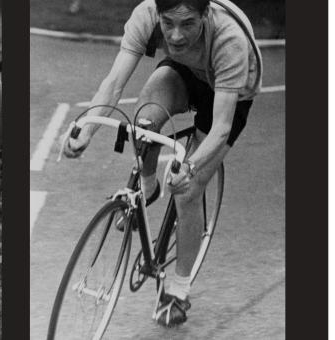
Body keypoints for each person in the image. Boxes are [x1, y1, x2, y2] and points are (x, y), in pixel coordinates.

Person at [63, 0, 261, 327]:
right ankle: (147, 187)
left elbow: (222, 127)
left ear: (205, 15)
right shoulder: (146, 16)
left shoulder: (229, 40)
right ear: (158, 13)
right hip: (186, 71)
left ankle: (178, 290)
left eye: (187, 24)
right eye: (168, 23)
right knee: (144, 122)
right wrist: (87, 128)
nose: (176, 35)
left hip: (230, 92)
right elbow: (114, 84)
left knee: (188, 190)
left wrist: (191, 168)